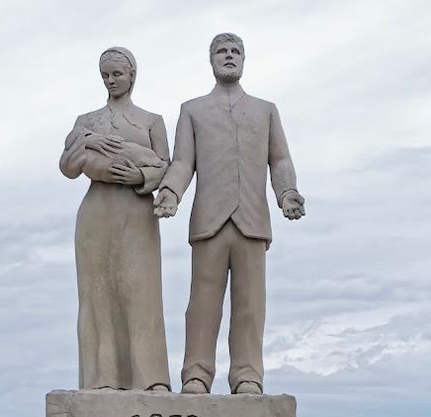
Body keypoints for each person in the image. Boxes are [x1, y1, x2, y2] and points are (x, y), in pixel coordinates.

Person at [154, 33, 305, 395]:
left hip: (253, 220)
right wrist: (171, 192)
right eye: (222, 51)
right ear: (211, 61)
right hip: (209, 220)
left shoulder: (265, 110)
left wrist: (287, 193)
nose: (229, 56)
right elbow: (182, 162)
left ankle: (248, 375)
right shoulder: (193, 110)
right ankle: (196, 375)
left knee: (251, 305)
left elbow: (280, 159)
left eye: (235, 51)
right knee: (203, 304)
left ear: (244, 60)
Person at [60, 47, 171, 391]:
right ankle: (101, 378)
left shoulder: (152, 121)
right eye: (105, 75)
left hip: (137, 214)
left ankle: (149, 379)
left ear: (132, 75)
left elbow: (166, 167)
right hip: (97, 214)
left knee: (141, 294)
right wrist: (88, 142)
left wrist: (138, 178)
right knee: (98, 296)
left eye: (117, 74)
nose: (111, 81)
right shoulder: (87, 122)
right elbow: (67, 167)